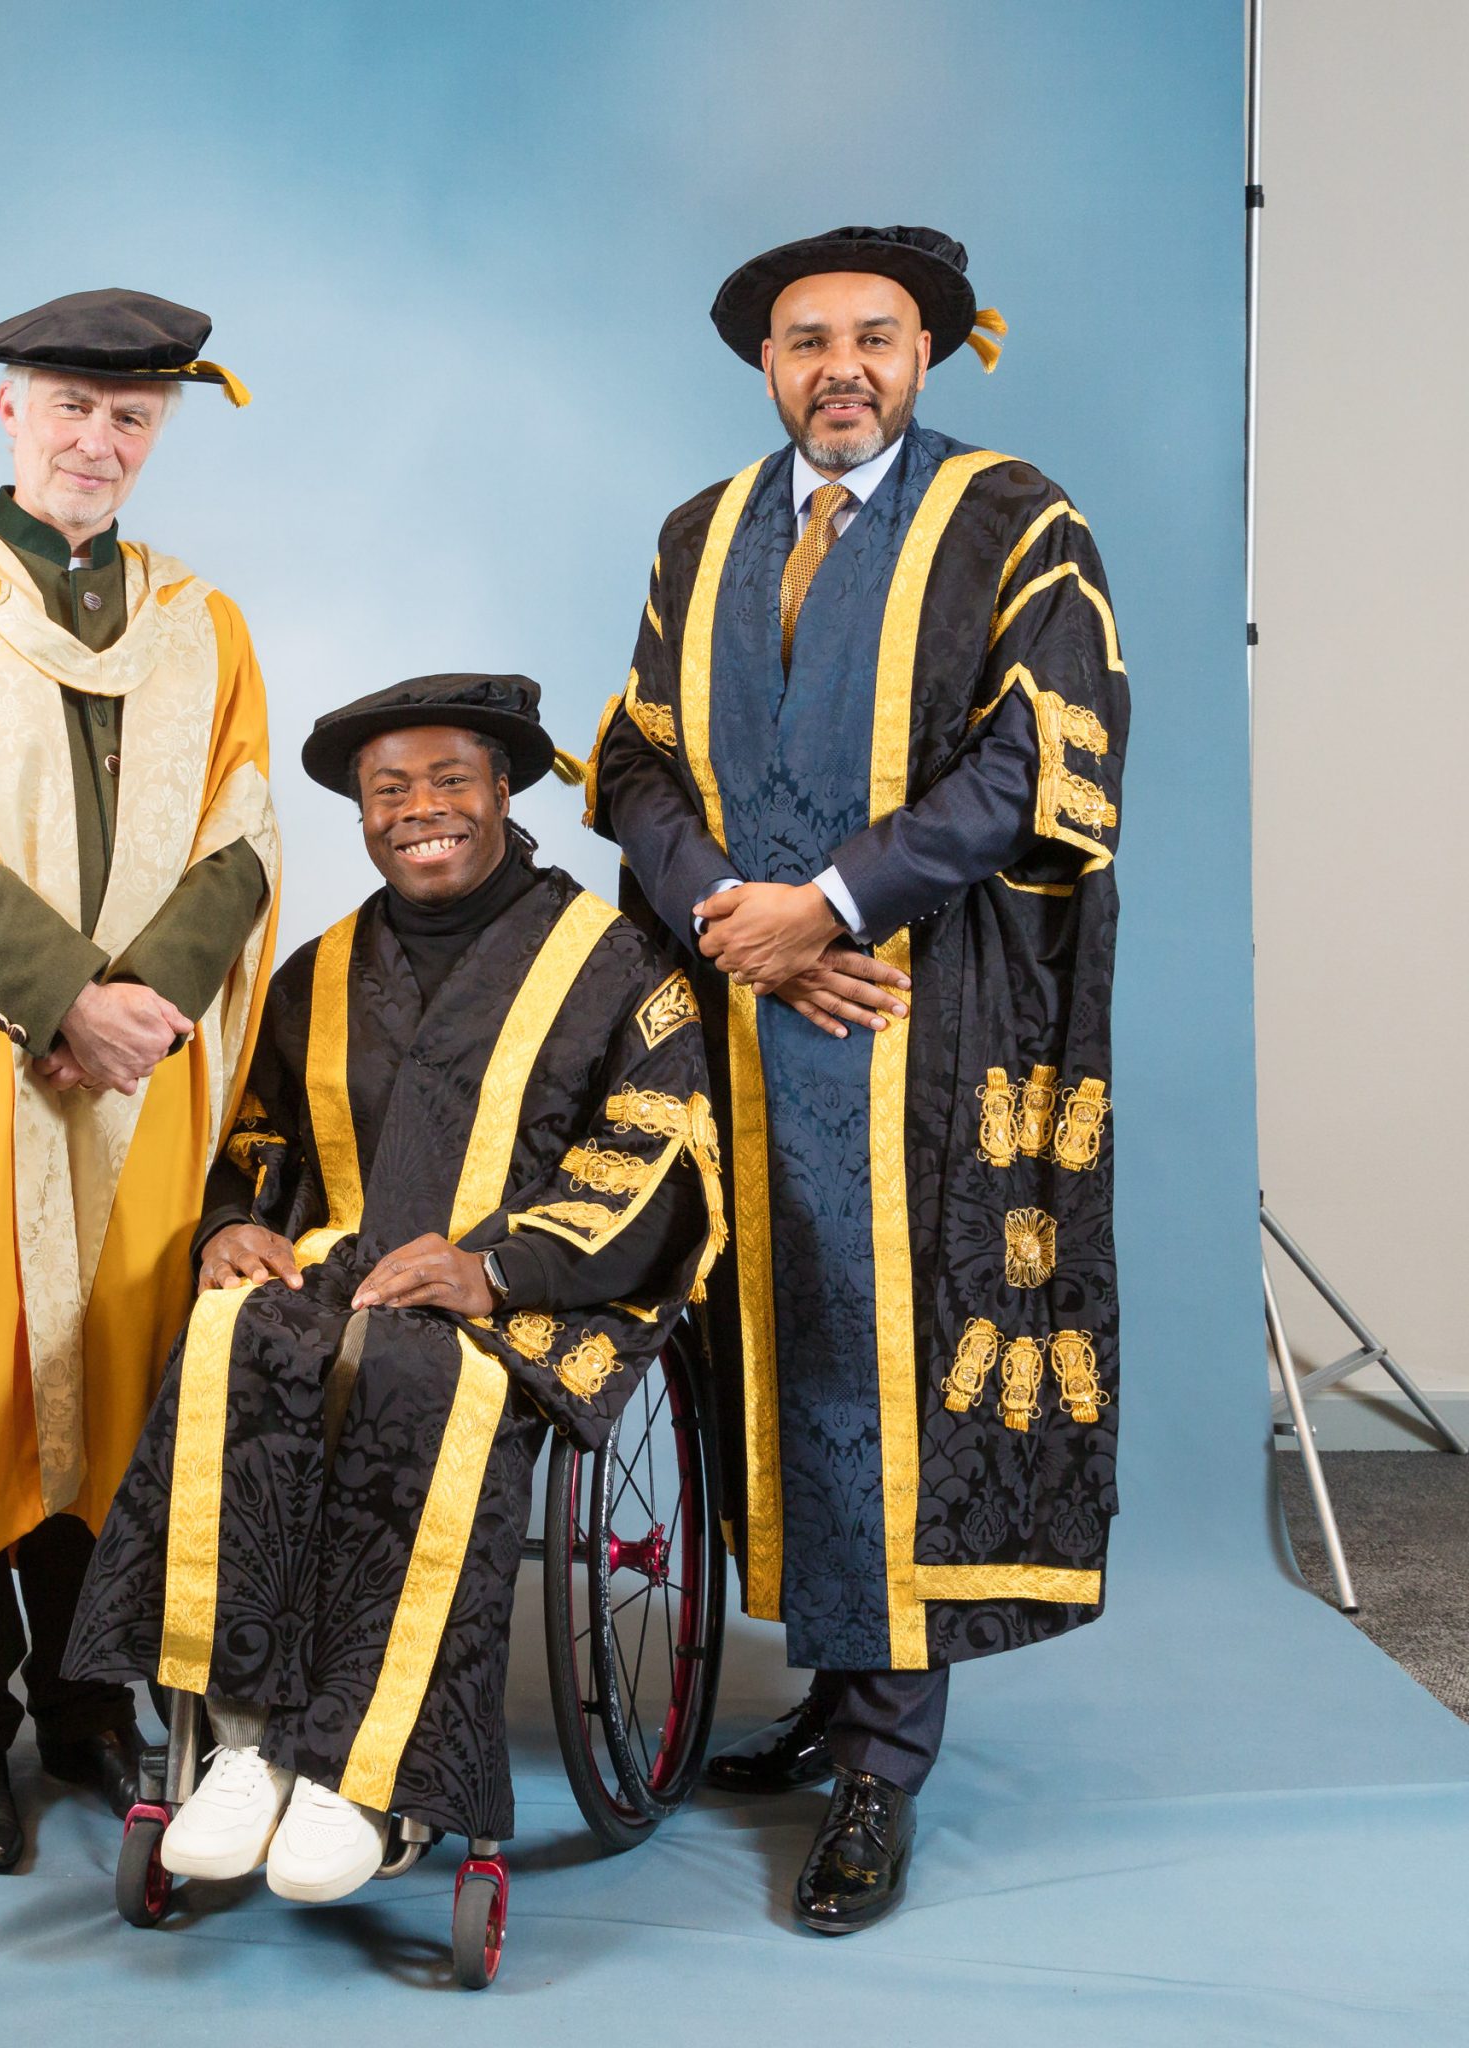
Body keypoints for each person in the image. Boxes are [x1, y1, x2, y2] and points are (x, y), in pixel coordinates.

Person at [589, 225, 1127, 1932]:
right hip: (745, 1020)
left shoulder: (1015, 521)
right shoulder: (710, 530)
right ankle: (836, 1688)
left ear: (931, 351)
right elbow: (637, 756)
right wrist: (727, 918)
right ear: (765, 361)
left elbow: (1041, 753)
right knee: (788, 1342)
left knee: (893, 1358)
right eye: (807, 337)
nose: (841, 363)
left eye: (875, 336)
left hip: (921, 1005)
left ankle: (888, 1766)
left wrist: (825, 906)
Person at [65, 675, 726, 1903]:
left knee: (419, 1372)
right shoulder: (321, 970)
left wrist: (495, 1265)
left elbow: (655, 1150)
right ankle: (246, 1742)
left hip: (538, 1288)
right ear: (363, 817)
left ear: (503, 790)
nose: (419, 808)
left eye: (448, 780)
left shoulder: (617, 963)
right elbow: (263, 1140)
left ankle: (365, 1775)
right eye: (388, 790)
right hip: (356, 1271)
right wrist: (231, 1227)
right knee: (240, 1337)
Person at [0, 289, 279, 1872]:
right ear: (9, 414)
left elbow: (245, 832)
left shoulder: (200, 621)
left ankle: (92, 1709)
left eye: (131, 417)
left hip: (145, 1078)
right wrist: (69, 1000)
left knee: (130, 1381)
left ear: (159, 434)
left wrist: (145, 1006)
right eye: (70, 407)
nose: (99, 439)